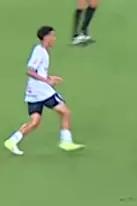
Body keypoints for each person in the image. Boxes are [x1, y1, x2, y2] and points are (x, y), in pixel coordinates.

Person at [4, 26, 84, 156]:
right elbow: (30, 71)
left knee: (34, 121)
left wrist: (49, 77)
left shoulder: (41, 51)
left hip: (33, 92)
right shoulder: (39, 51)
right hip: (42, 91)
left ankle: (12, 141)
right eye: (52, 36)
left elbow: (38, 72)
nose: (54, 38)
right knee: (65, 112)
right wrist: (46, 81)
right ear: (46, 37)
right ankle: (66, 142)